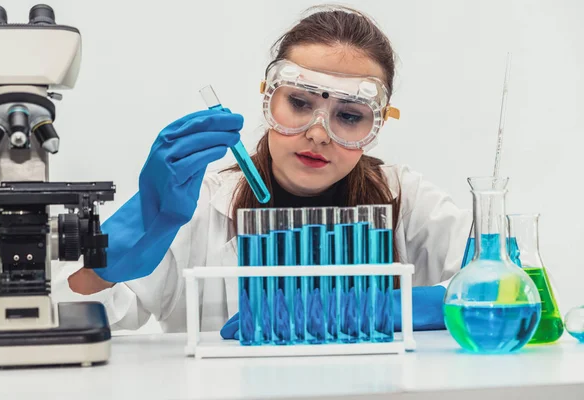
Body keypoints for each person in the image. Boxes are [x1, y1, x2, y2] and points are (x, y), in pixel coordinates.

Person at [66, 5, 471, 335]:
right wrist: (119, 248)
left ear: (376, 126)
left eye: (348, 115)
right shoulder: (198, 206)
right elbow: (68, 318)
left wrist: (381, 307)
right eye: (299, 103)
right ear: (269, 99)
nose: (318, 133)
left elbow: (517, 290)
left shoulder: (406, 200)